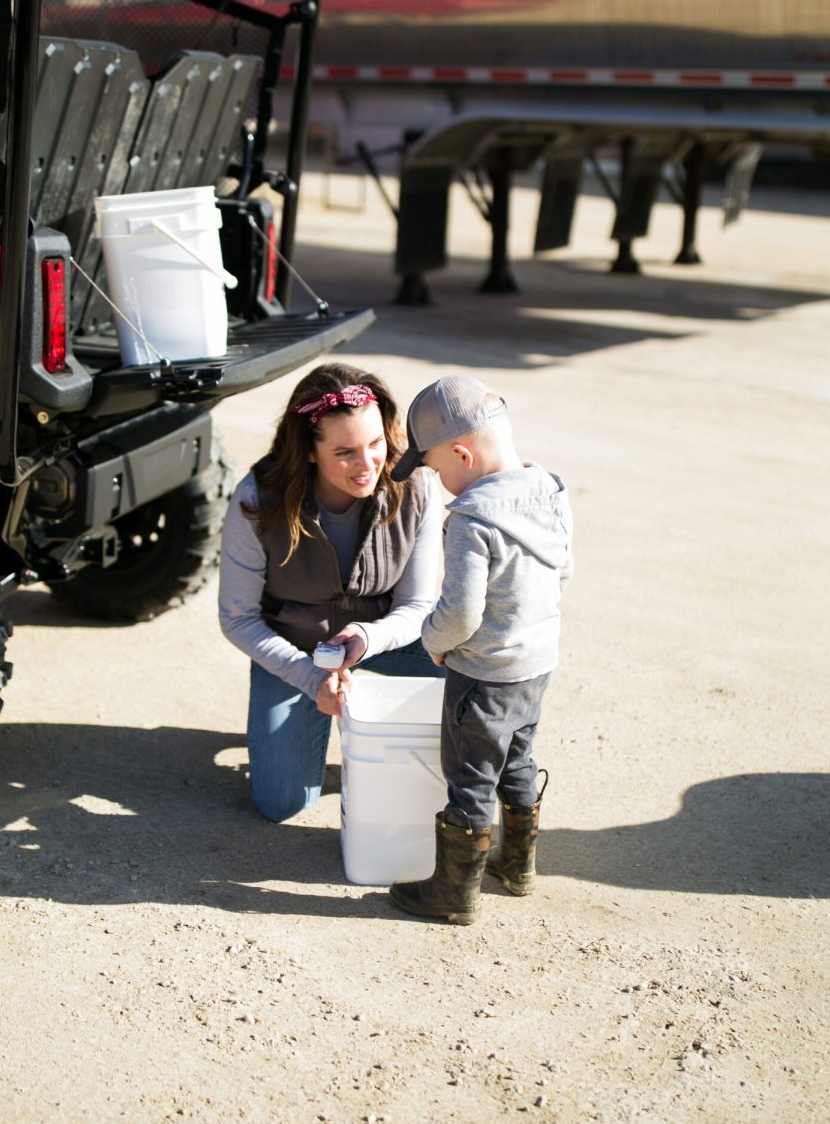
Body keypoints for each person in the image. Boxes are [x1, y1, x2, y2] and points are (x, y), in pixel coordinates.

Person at [218, 362, 444, 823]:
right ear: (308, 451)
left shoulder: (416, 486)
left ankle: (456, 762)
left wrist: (367, 637)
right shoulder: (257, 500)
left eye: (376, 443)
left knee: (469, 655)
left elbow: (419, 605)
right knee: (282, 802)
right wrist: (308, 676)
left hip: (380, 635)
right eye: (345, 453)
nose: (367, 466)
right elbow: (237, 618)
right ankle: (305, 716)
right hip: (296, 646)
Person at [387, 374, 573, 925]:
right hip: (536, 665)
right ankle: (517, 868)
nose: (441, 482)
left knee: (470, 775)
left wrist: (434, 644)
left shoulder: (471, 519)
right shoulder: (551, 491)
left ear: (463, 454)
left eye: (438, 469)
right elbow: (563, 571)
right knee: (519, 756)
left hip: (484, 675)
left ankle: (453, 896)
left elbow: (461, 613)